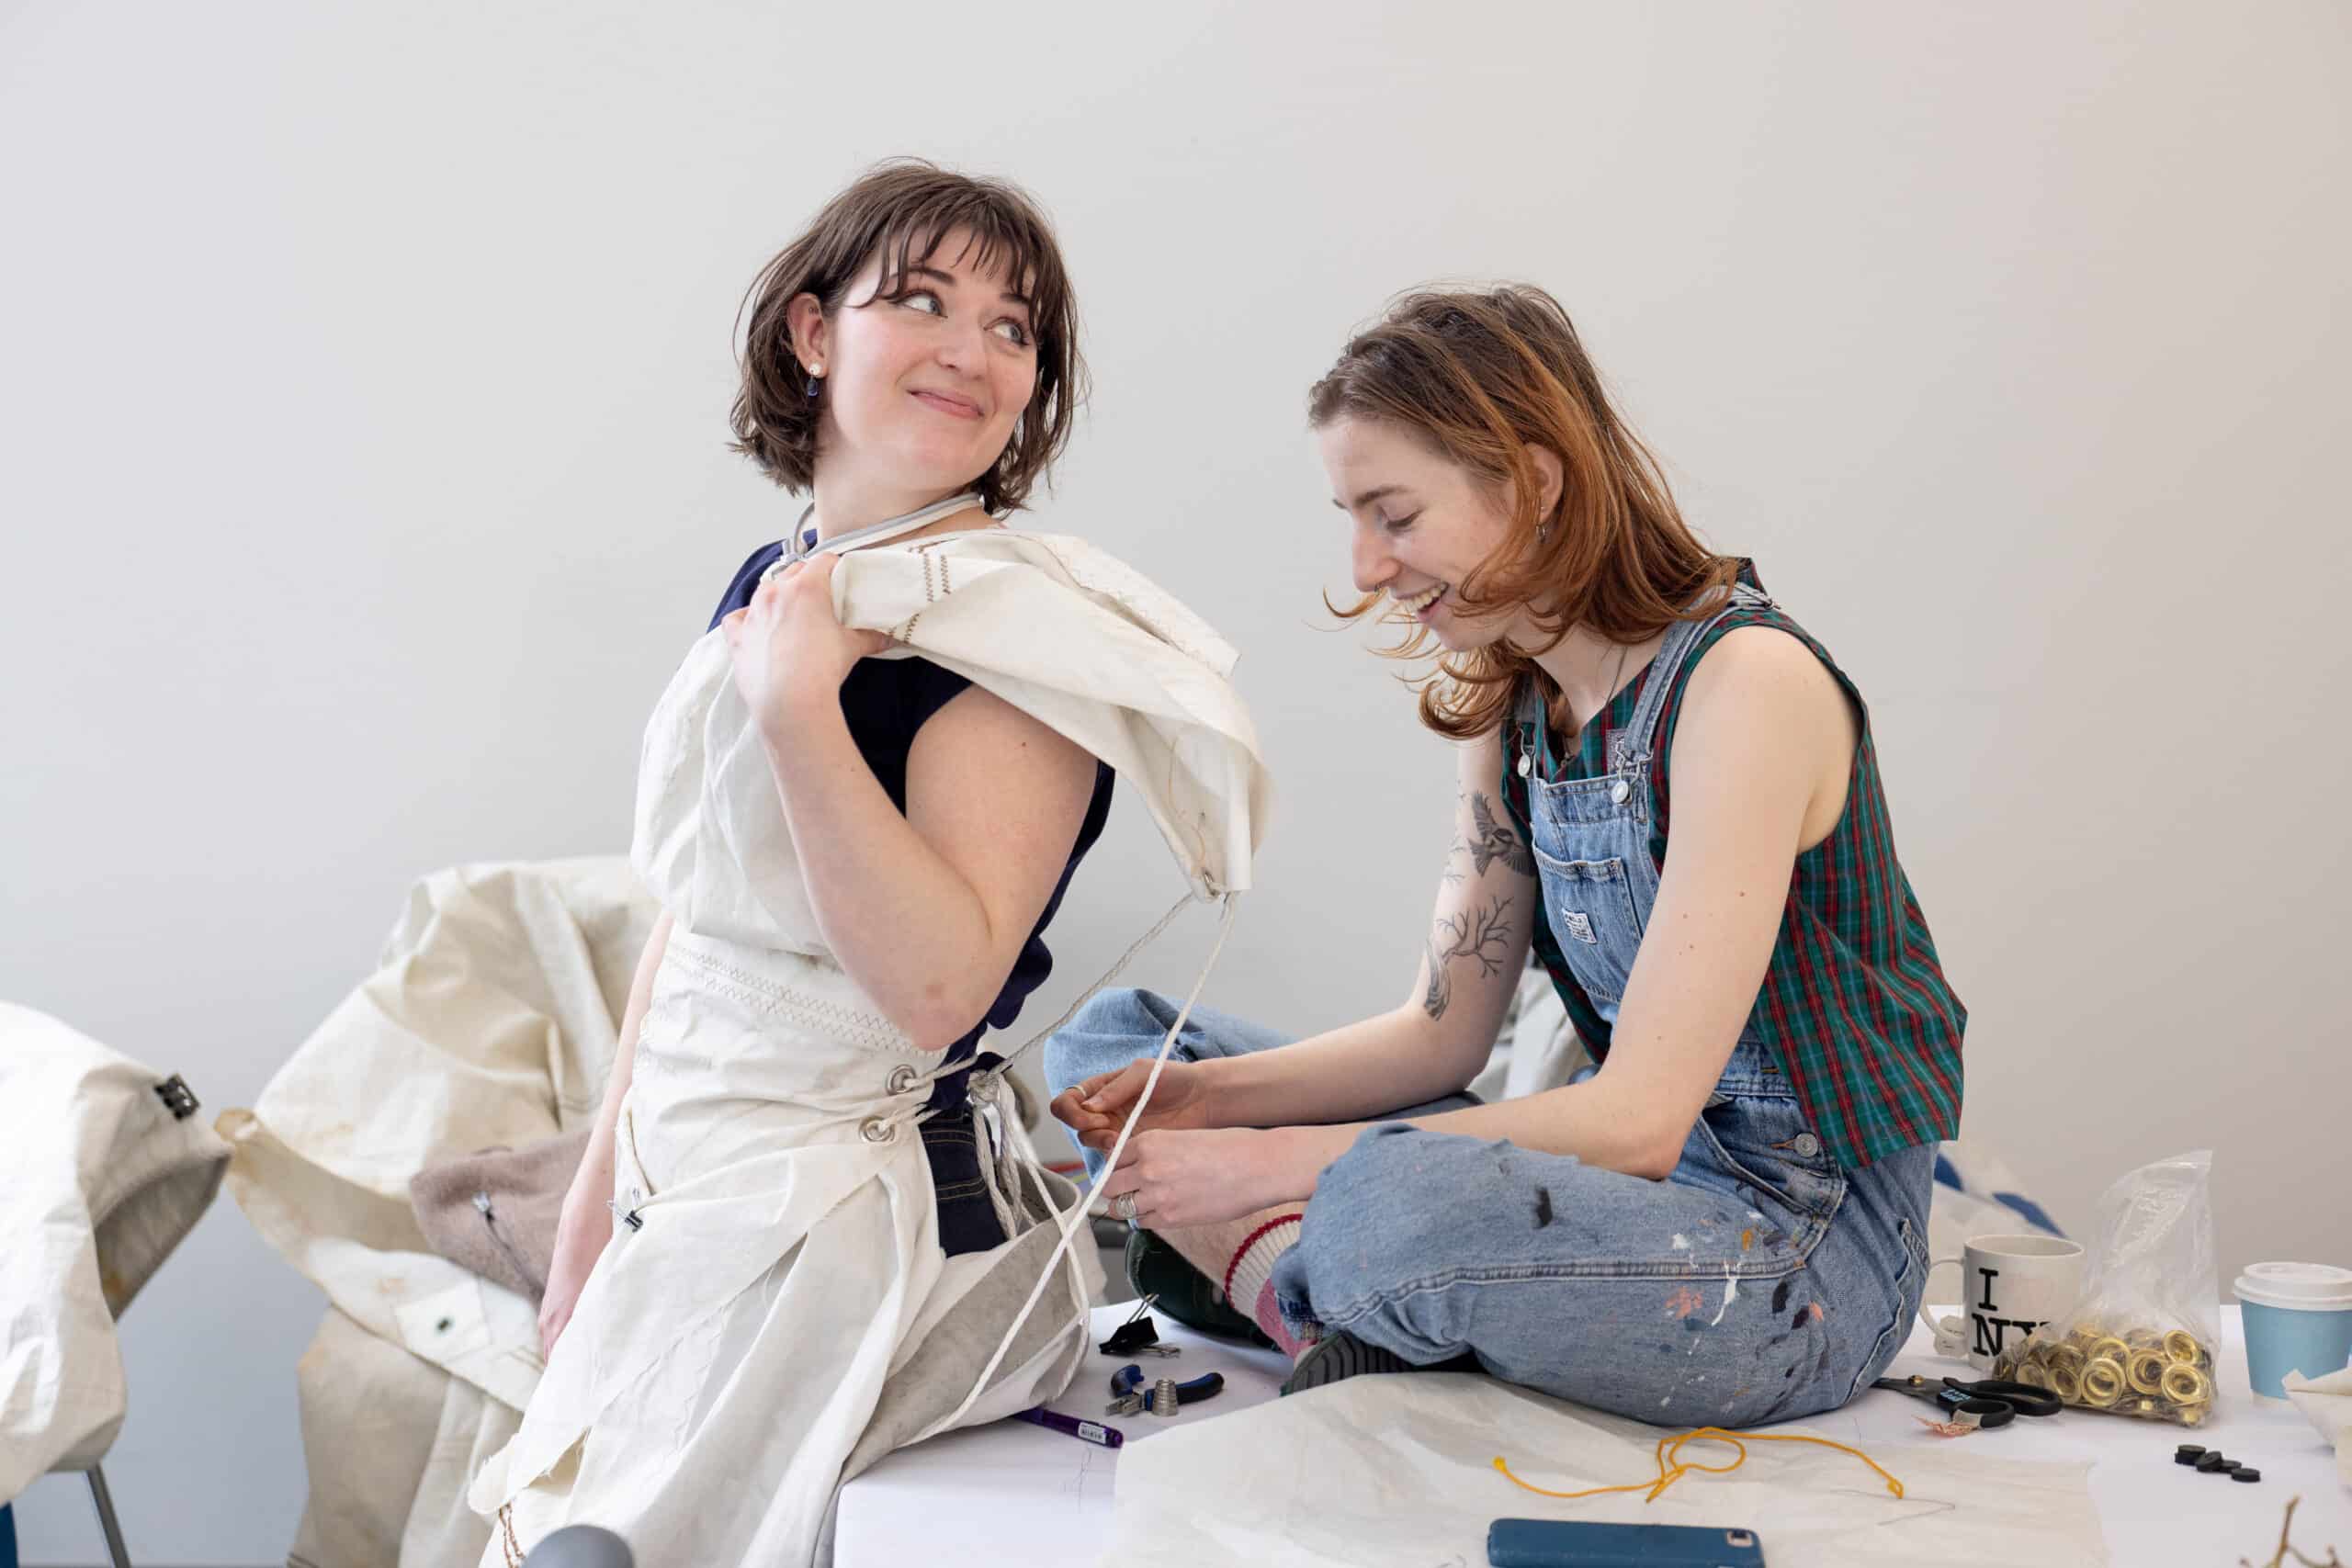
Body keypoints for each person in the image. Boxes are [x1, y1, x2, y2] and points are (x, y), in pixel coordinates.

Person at [1049, 285, 1965, 1427]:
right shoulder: (1512, 699)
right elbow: (1442, 1033)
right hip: (1617, 1199)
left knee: (1386, 1203)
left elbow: (1638, 1120)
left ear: (1533, 482)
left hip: (1794, 1260)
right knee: (1114, 1051)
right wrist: (1209, 1100)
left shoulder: (1747, 687)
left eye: (1392, 514)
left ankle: (1295, 1276)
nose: (1367, 566)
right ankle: (1326, 1305)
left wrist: (1272, 1166)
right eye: (1352, 518)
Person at [469, 160, 1136, 1564]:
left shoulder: (1020, 648)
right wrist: (593, 1206)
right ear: (812, 333)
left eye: (1015, 328)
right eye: (924, 300)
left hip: (848, 1219)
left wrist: (798, 712)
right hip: (687, 1161)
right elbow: (696, 915)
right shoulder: (779, 579)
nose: (973, 349)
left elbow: (941, 990)